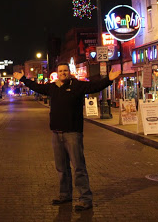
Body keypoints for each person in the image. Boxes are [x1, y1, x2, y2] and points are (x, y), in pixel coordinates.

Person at [13, 62, 121, 212]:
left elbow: (94, 87)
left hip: (73, 133)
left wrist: (109, 79)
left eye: (65, 70)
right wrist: (24, 79)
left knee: (78, 167)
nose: (63, 73)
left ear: (69, 72)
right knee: (61, 168)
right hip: (56, 133)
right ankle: (65, 195)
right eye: (60, 71)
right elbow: (37, 87)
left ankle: (85, 198)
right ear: (57, 73)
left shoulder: (77, 86)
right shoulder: (53, 87)